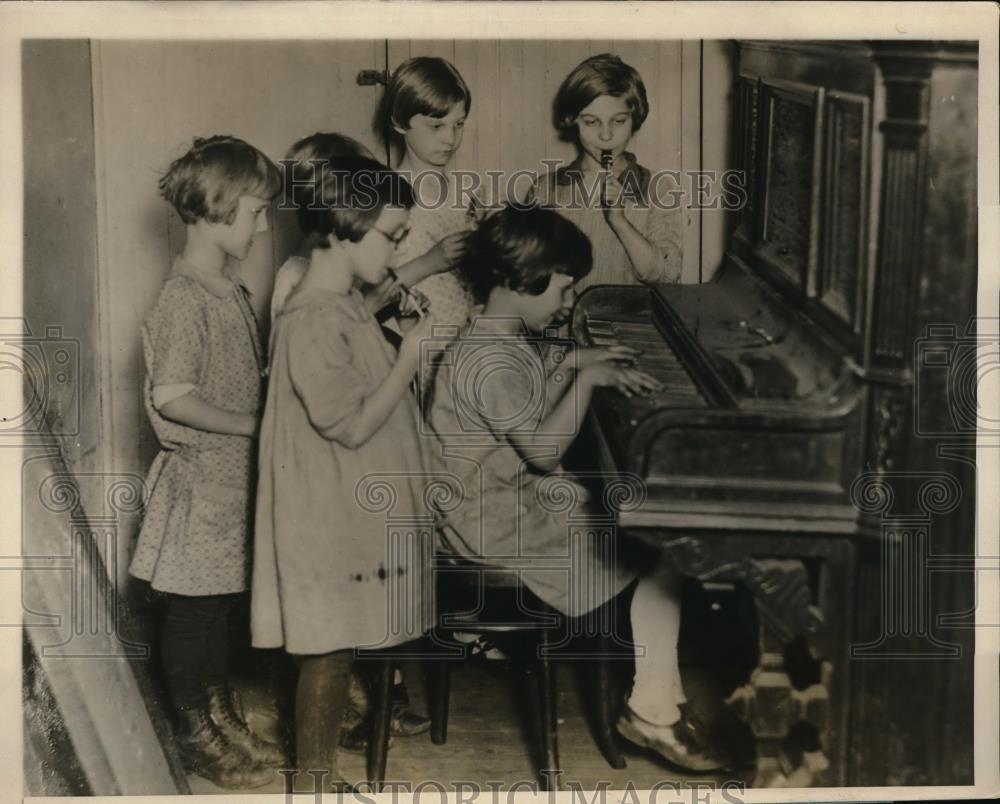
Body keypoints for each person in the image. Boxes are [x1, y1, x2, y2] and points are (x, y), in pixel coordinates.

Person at [424, 205, 730, 772]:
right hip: (489, 522)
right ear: (520, 282)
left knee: (638, 527)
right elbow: (541, 452)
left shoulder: (493, 335)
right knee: (658, 545)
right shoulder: (489, 360)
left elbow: (527, 380)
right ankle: (651, 709)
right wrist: (586, 377)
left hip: (498, 502)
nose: (568, 304)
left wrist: (573, 360)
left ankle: (658, 693)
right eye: (563, 290)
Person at [252, 155, 437, 791]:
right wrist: (410, 355)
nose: (399, 246)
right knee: (325, 653)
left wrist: (393, 335)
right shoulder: (309, 317)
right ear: (341, 227)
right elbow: (351, 425)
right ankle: (311, 784)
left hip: (345, 505)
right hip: (322, 513)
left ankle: (319, 780)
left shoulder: (348, 302)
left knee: (337, 645)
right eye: (391, 233)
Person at [129, 135, 284, 789]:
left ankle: (221, 718)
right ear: (219, 208)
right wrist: (255, 424)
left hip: (229, 485)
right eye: (256, 211)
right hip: (199, 485)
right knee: (194, 615)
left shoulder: (228, 290)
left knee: (218, 609)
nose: (265, 223)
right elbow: (174, 396)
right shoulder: (184, 299)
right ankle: (195, 733)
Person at [529, 53, 683, 293]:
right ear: (572, 120)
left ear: (635, 118)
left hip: (625, 326)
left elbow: (666, 275)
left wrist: (619, 221)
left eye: (618, 121)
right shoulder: (545, 189)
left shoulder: (658, 189)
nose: (606, 136)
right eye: (591, 122)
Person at [373, 56, 480, 392]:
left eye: (459, 124)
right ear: (399, 122)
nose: (450, 138)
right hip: (416, 353)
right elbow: (365, 293)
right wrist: (431, 262)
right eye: (437, 126)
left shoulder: (466, 192)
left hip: (467, 345)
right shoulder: (383, 198)